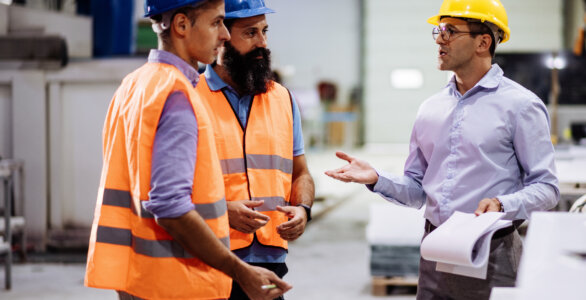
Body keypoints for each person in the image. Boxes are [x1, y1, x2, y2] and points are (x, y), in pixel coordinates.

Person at [325, 0, 559, 299]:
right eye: (438, 30)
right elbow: (418, 190)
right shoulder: (430, 109)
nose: (439, 38)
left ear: (483, 42)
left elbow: (547, 188)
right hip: (435, 250)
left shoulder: (520, 106)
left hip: (492, 252)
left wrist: (503, 203)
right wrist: (376, 178)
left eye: (450, 31)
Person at [84, 1, 291, 299]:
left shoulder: (133, 86)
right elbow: (170, 207)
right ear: (181, 25)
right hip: (177, 282)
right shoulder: (177, 96)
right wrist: (239, 270)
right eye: (216, 23)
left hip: (138, 279)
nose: (224, 35)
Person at [195, 0, 315, 299]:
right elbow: (168, 193)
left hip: (271, 263)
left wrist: (303, 209)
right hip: (209, 258)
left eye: (264, 31)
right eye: (250, 33)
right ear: (221, 35)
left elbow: (301, 173)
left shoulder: (282, 99)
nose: (262, 43)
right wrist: (222, 211)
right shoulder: (189, 97)